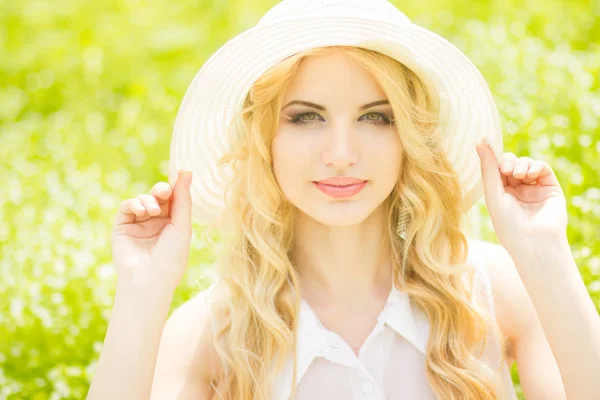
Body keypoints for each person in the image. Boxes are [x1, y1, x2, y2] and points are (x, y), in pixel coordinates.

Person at [86, 1, 600, 399]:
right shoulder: (212, 332)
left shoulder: (489, 289)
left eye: (376, 117)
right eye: (306, 117)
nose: (340, 154)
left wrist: (544, 255)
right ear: (264, 138)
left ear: (409, 139)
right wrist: (142, 289)